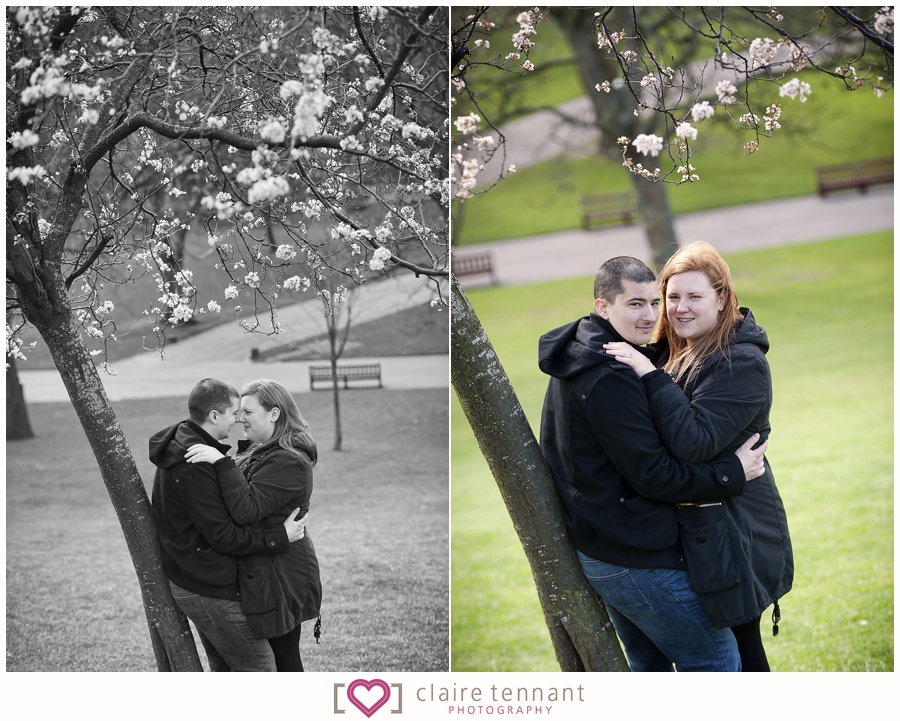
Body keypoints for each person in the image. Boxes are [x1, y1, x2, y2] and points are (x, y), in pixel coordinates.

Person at [539, 255, 769, 672]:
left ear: (722, 300)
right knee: (717, 661)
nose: (651, 316)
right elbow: (657, 476)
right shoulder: (613, 374)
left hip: (606, 546)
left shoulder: (590, 351)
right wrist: (732, 472)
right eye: (636, 304)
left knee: (652, 671)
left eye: (653, 302)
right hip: (632, 556)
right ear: (602, 307)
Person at [604, 241, 793, 671]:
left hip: (736, 531)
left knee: (742, 652)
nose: (680, 308)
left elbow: (692, 442)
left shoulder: (740, 362)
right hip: (703, 527)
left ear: (722, 297)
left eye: (694, 296)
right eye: (672, 297)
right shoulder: (679, 350)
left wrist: (648, 374)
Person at [150, 377, 309, 672]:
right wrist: (280, 536)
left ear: (274, 414)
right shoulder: (197, 461)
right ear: (213, 416)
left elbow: (242, 505)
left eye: (246, 413)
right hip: (209, 581)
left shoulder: (191, 446)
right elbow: (229, 529)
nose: (238, 420)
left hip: (259, 577)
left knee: (247, 664)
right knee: (260, 668)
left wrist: (230, 460)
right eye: (237, 412)